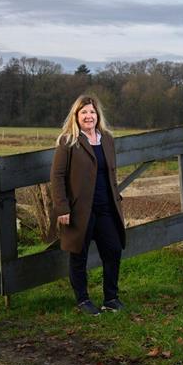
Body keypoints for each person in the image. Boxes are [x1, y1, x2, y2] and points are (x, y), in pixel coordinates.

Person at [50, 94, 126, 315]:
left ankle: (110, 298)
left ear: (98, 115)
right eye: (83, 112)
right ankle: (83, 300)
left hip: (106, 208)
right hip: (79, 210)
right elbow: (57, 176)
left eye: (92, 111)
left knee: (113, 250)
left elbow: (110, 173)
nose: (88, 116)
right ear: (76, 116)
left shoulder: (107, 139)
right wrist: (62, 207)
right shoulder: (68, 142)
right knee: (78, 255)